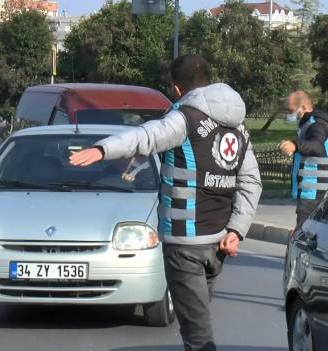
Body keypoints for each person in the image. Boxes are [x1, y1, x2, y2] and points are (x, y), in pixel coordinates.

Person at [69, 55, 262, 351]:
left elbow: (147, 136)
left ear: (176, 88)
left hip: (185, 242)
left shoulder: (185, 117)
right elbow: (251, 181)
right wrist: (237, 229)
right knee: (198, 321)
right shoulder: (238, 126)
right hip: (218, 242)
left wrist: (102, 149)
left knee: (198, 336)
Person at [279, 91, 328, 227]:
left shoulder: (316, 124)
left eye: (290, 110)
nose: (288, 115)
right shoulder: (313, 123)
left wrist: (295, 145)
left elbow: (316, 146)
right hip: (318, 192)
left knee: (304, 236)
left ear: (303, 107)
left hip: (314, 193)